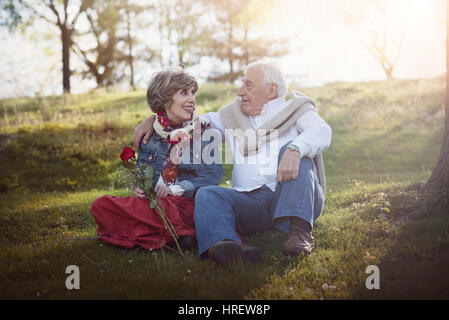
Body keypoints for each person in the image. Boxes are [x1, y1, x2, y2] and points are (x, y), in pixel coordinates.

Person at [133, 60, 331, 265]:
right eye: (242, 84)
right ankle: (225, 244)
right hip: (252, 203)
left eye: (249, 85)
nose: (240, 92)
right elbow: (195, 123)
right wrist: (152, 119)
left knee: (299, 154)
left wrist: (295, 149)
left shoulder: (297, 109)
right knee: (207, 193)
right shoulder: (231, 116)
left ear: (271, 90)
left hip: (293, 196)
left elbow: (322, 131)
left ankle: (300, 232)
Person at [91, 67, 223, 252]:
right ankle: (179, 236)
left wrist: (175, 189)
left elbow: (212, 178)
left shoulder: (205, 133)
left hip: (188, 205)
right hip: (156, 207)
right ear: (165, 98)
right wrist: (142, 189)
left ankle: (160, 235)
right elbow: (145, 177)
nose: (192, 99)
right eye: (184, 93)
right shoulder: (149, 136)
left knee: (177, 209)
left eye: (193, 93)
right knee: (102, 205)